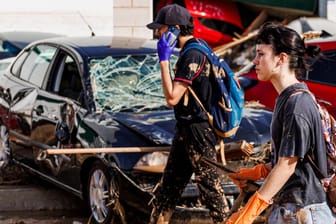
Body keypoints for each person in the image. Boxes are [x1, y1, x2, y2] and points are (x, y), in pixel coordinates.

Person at [226, 22, 336, 224]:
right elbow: (294, 159)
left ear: (281, 59)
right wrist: (258, 171)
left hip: (304, 212)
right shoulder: (286, 99)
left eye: (261, 54)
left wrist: (248, 214)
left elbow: (287, 165)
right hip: (292, 209)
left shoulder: (297, 104)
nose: (255, 61)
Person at [146, 4, 229, 224]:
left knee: (211, 191)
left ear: (174, 29)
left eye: (161, 29)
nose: (158, 34)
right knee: (168, 189)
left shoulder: (193, 55)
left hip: (198, 131)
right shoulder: (197, 48)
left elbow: (172, 97)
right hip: (185, 128)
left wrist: (164, 60)